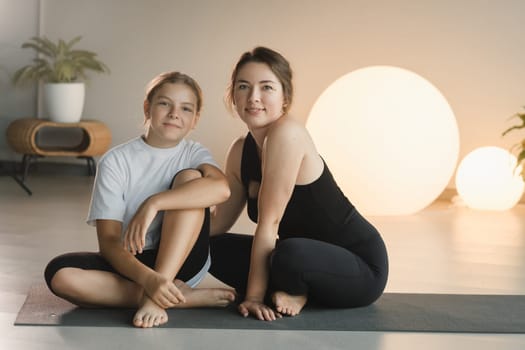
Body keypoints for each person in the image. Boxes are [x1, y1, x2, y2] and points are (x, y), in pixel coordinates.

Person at [209, 47, 389, 321]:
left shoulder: (287, 134)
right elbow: (218, 223)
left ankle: (293, 288)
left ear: (285, 98)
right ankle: (291, 286)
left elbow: (269, 223)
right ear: (233, 96)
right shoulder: (239, 151)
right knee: (210, 247)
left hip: (360, 266)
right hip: (295, 259)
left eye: (266, 87)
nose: (253, 97)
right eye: (243, 86)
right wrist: (167, 229)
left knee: (289, 254)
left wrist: (254, 298)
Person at [44, 71, 235, 328]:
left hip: (184, 261)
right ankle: (178, 297)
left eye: (186, 108)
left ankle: (156, 300)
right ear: (148, 108)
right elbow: (110, 242)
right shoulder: (115, 161)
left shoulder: (194, 154)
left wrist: (154, 203)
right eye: (164, 103)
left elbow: (221, 189)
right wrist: (149, 280)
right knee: (60, 275)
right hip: (133, 262)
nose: (174, 113)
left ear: (195, 119)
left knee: (190, 179)